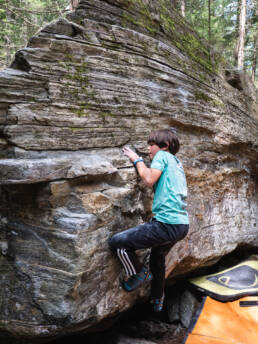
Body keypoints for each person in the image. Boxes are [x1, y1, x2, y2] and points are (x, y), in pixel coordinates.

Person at [108, 128, 189, 312]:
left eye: (151, 145)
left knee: (118, 243)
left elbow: (149, 179)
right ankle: (157, 299)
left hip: (166, 223)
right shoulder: (177, 162)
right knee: (157, 257)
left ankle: (139, 272)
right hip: (181, 224)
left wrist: (137, 160)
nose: (149, 150)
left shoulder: (162, 156)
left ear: (165, 146)